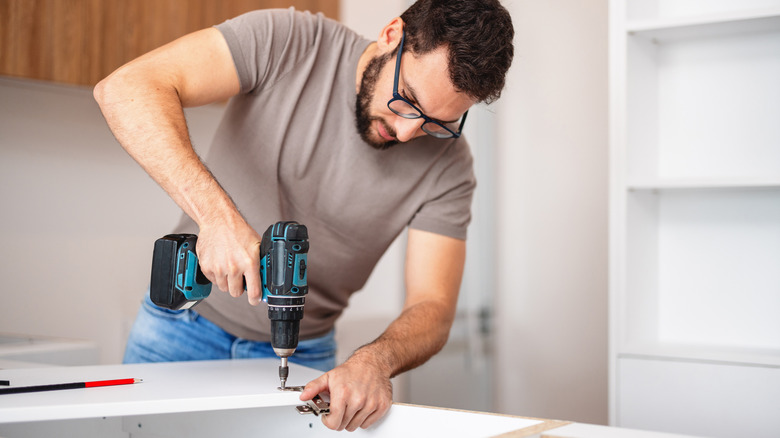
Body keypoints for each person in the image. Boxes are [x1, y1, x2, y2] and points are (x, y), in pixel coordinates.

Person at [94, 0, 513, 431]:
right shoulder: (290, 41)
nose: (408, 132)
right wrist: (216, 218)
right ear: (392, 35)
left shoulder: (450, 165)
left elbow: (433, 306)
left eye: (436, 122)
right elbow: (127, 87)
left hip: (306, 357)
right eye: (407, 99)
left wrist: (375, 361)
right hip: (179, 328)